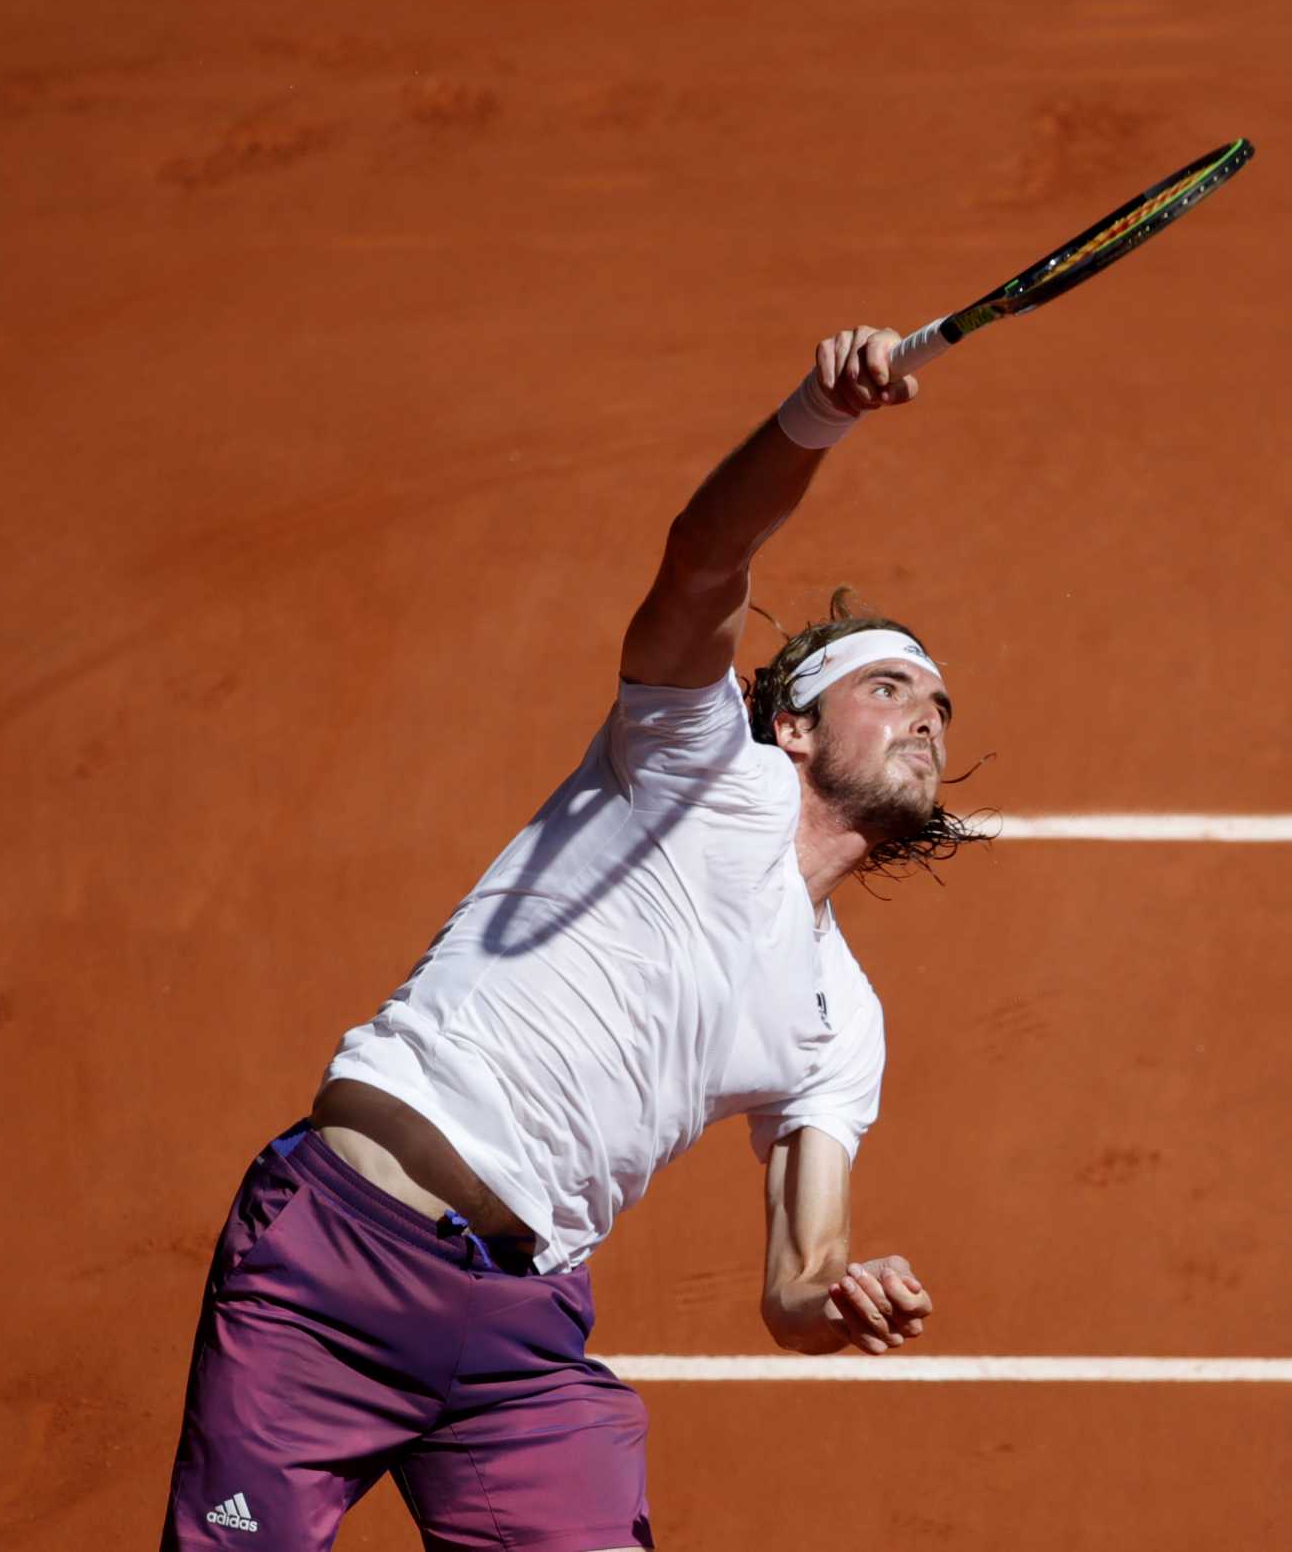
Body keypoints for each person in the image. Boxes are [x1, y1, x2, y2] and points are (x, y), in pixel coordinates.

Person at [162, 327, 968, 1551]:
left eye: (941, 705)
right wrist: (816, 411)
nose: (928, 717)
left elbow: (797, 1282)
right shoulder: (697, 770)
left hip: (519, 1337)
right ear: (790, 729)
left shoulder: (841, 1018)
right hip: (339, 1261)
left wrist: (837, 1298)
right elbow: (703, 561)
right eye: (890, 687)